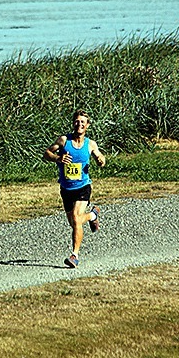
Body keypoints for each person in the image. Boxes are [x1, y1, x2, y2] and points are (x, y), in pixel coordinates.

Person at [43, 109, 106, 268]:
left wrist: (100, 160)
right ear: (73, 123)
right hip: (66, 188)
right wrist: (58, 158)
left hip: (83, 187)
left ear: (87, 126)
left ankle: (74, 255)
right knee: (73, 223)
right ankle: (93, 215)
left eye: (83, 122)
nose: (79, 125)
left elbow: (102, 159)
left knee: (77, 219)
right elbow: (46, 153)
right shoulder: (64, 140)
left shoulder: (90, 144)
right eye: (77, 121)